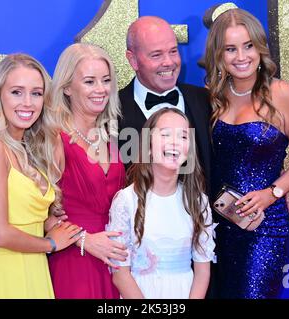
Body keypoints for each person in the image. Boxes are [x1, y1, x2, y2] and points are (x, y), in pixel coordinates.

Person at [204, 7, 289, 298]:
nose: (241, 57)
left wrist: (273, 193)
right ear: (219, 54)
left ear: (260, 48)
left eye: (248, 46)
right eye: (231, 49)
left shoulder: (283, 95)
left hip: (264, 226)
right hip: (217, 224)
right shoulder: (211, 97)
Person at [0, 53, 82, 299]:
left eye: (37, 93)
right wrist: (51, 244)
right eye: (17, 92)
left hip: (37, 278)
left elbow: (22, 216)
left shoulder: (29, 150)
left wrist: (47, 220)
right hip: (5, 282)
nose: (28, 103)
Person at [108, 108, 215, 299]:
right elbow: (120, 274)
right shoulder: (125, 201)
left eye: (183, 136)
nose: (175, 142)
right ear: (148, 145)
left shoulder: (198, 202)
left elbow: (202, 271)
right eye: (165, 134)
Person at [47, 43, 127, 299]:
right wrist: (85, 240)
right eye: (90, 81)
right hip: (75, 260)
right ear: (67, 87)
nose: (101, 89)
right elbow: (37, 212)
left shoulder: (108, 137)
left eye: (105, 80)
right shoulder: (54, 140)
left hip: (115, 262)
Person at [118, 16, 212, 193]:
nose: (169, 62)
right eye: (156, 54)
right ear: (133, 60)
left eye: (173, 51)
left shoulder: (205, 100)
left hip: (202, 217)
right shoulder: (111, 111)